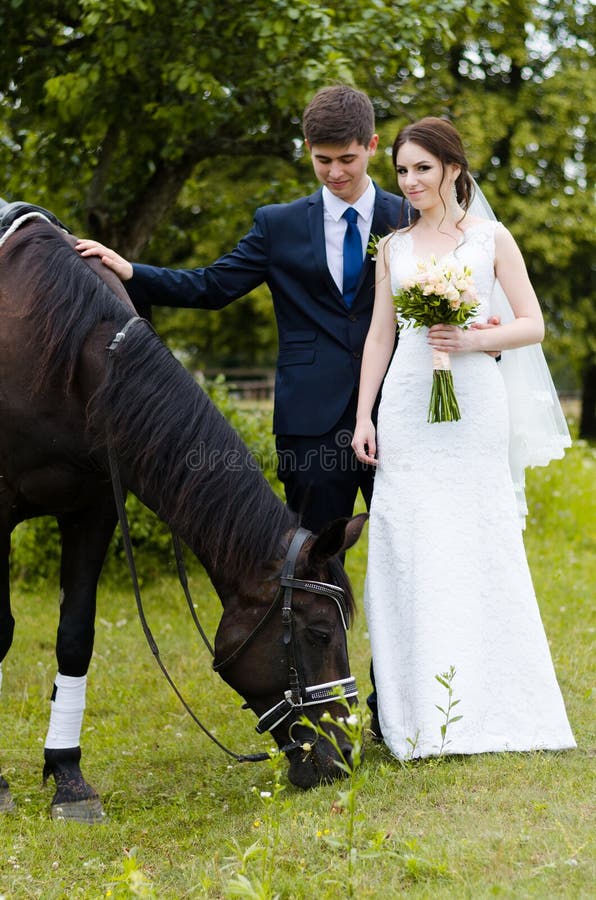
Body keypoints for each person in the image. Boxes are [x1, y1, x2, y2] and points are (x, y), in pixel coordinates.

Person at [76, 85, 408, 536]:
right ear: (307, 148)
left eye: (347, 159)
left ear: (371, 146)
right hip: (310, 422)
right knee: (311, 559)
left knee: (410, 543)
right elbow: (212, 286)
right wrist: (131, 271)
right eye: (322, 159)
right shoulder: (278, 225)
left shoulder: (409, 216)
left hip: (400, 408)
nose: (334, 172)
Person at [352, 116, 576, 759]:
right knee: (410, 543)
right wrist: (364, 414)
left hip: (474, 406)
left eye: (423, 167)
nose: (411, 180)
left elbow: (531, 326)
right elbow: (379, 337)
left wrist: (472, 339)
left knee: (477, 537)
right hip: (406, 408)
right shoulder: (392, 247)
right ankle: (416, 712)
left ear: (452, 167)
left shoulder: (490, 238)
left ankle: (497, 702)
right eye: (401, 170)